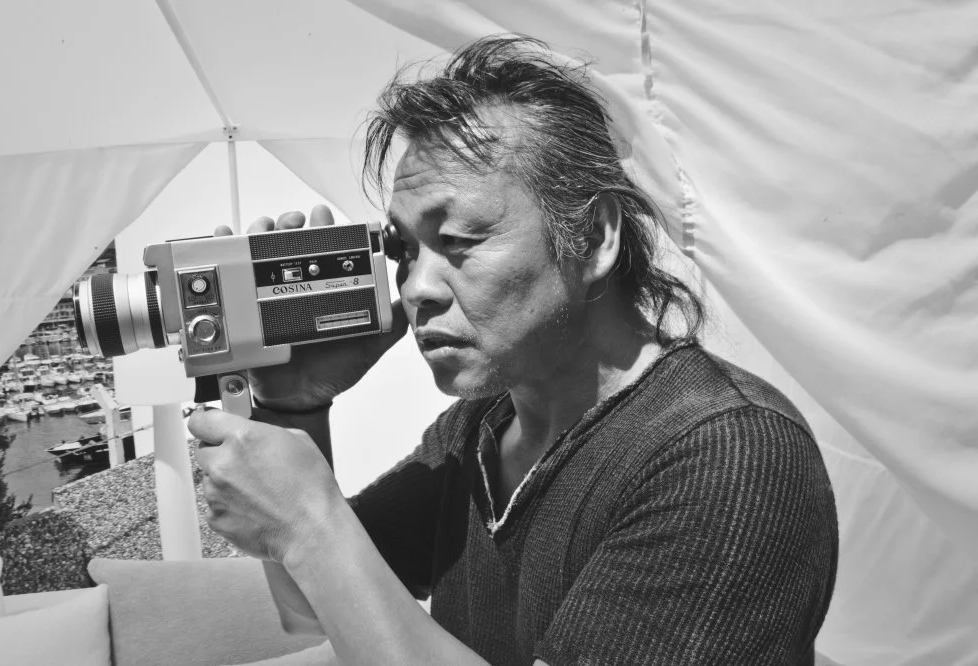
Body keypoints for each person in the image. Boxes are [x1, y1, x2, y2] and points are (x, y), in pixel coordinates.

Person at [189, 36, 838, 665]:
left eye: (461, 240)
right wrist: (296, 405)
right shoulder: (476, 433)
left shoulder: (729, 453)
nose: (415, 287)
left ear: (597, 235)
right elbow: (312, 605)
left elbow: (321, 553)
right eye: (405, 251)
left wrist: (313, 523)